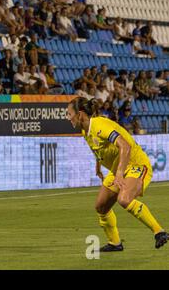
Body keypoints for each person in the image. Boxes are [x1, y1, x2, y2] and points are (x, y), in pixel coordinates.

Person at [67, 97, 168, 251]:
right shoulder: (85, 130)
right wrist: (98, 166)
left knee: (124, 199)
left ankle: (159, 232)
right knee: (101, 207)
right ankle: (115, 243)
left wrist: (120, 174)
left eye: (69, 114)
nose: (68, 117)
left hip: (135, 163)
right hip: (118, 167)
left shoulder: (99, 125)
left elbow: (125, 147)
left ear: (80, 114)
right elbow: (100, 148)